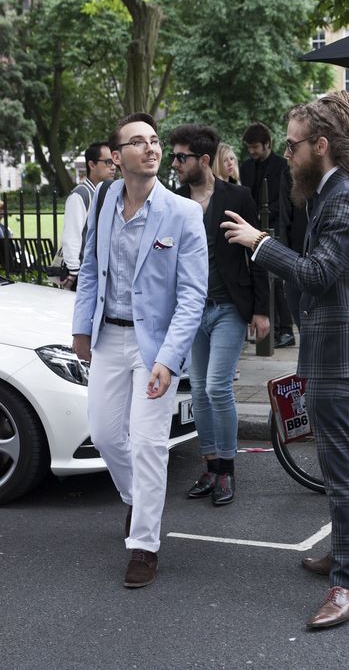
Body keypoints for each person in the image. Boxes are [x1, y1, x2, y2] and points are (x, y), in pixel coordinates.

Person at [222, 91, 349, 629]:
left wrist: (260, 243)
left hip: (339, 350)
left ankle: (347, 582)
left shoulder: (345, 197)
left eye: (294, 144)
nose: (287, 153)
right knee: (336, 467)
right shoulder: (333, 191)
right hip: (332, 346)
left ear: (321, 145)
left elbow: (316, 274)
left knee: (342, 469)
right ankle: (342, 556)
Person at [72, 113, 208, 588]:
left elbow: (193, 297)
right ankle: (136, 497)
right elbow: (90, 267)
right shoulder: (106, 199)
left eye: (154, 141)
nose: (151, 148)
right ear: (116, 157)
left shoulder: (184, 213)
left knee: (149, 445)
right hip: (108, 336)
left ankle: (144, 545)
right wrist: (81, 330)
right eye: (137, 142)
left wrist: (168, 361)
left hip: (155, 346)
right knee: (106, 435)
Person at [169, 124, 270, 505]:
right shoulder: (174, 201)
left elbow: (257, 252)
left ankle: (227, 470)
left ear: (204, 160)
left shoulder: (237, 196)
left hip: (229, 307)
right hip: (191, 311)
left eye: (182, 157)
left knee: (216, 387)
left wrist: (261, 310)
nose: (175, 163)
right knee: (198, 390)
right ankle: (210, 466)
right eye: (174, 156)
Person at [240, 122, 295, 348]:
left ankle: (285, 329)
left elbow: (285, 201)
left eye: (255, 147)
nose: (252, 151)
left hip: (274, 227)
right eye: (249, 147)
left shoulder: (283, 167)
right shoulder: (246, 167)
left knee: (277, 281)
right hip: (251, 228)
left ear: (267, 144)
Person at [60, 142, 116, 290]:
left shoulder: (108, 193)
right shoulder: (81, 195)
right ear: (92, 165)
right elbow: (72, 235)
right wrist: (73, 271)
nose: (114, 166)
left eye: (115, 161)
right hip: (84, 274)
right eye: (108, 162)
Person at [278, 166, 314, 331]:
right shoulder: (288, 173)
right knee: (299, 316)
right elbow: (284, 218)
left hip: (318, 256)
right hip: (295, 255)